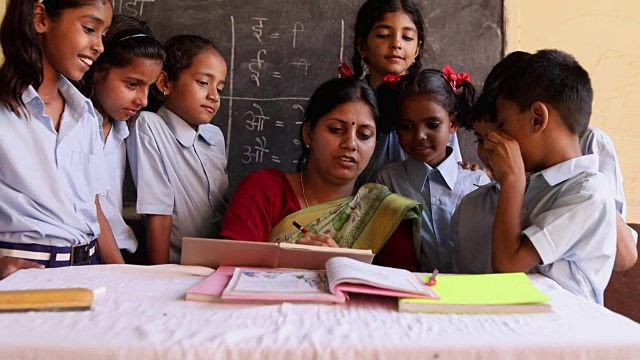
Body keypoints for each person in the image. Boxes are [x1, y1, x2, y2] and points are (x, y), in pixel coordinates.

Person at [456, 49, 617, 304]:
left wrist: (513, 180)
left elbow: (508, 266)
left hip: (564, 338)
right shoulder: (513, 193)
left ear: (537, 119)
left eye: (502, 125)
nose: (493, 142)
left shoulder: (588, 192)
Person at [220, 77, 423, 271]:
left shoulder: (383, 212)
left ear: (374, 145)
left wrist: (343, 267)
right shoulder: (264, 190)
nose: (351, 143)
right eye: (336, 129)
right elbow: (226, 271)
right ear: (309, 133)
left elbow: (405, 288)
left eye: (364, 135)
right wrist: (291, 263)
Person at [0, 0, 123, 279]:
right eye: (89, 28)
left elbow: (93, 209)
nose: (100, 46)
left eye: (102, 35)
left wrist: (123, 276)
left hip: (89, 267)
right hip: (25, 273)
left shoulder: (86, 115)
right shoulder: (4, 111)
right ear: (41, 18)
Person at [127, 35, 229, 264]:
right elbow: (158, 212)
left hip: (220, 262)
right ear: (165, 83)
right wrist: (160, 275)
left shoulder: (214, 136)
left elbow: (223, 210)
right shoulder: (149, 126)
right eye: (203, 82)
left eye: (219, 88)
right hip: (178, 267)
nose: (213, 95)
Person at [376, 68, 490, 272]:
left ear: (452, 123)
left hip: (469, 296)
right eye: (407, 126)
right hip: (411, 293)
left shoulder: (477, 182)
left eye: (433, 124)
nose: (420, 135)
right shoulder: (388, 181)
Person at [77, 14, 164, 260]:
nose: (143, 100)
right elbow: (92, 211)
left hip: (125, 250)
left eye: (149, 87)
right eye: (132, 84)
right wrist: (119, 270)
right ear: (96, 70)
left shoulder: (123, 129)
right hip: (97, 258)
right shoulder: (77, 125)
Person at [351, 0, 462, 185]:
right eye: (383, 35)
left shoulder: (434, 101)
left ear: (417, 48)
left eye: (407, 38)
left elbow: (452, 171)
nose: (396, 44)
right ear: (362, 45)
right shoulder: (350, 102)